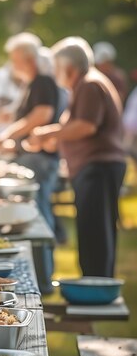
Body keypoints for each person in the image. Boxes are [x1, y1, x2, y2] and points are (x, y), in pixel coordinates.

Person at [30, 37, 126, 277]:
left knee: (95, 232)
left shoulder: (89, 84)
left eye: (56, 67)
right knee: (92, 230)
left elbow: (85, 126)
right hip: (94, 168)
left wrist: (47, 132)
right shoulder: (84, 84)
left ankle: (97, 287)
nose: (54, 73)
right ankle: (95, 284)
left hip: (98, 167)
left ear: (68, 67)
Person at [0, 33, 66, 293]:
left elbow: (42, 115)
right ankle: (40, 278)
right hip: (32, 157)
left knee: (38, 221)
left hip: (39, 159)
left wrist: (8, 134)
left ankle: (44, 280)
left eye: (15, 59)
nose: (13, 65)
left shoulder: (43, 81)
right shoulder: (33, 83)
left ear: (26, 59)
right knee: (35, 218)